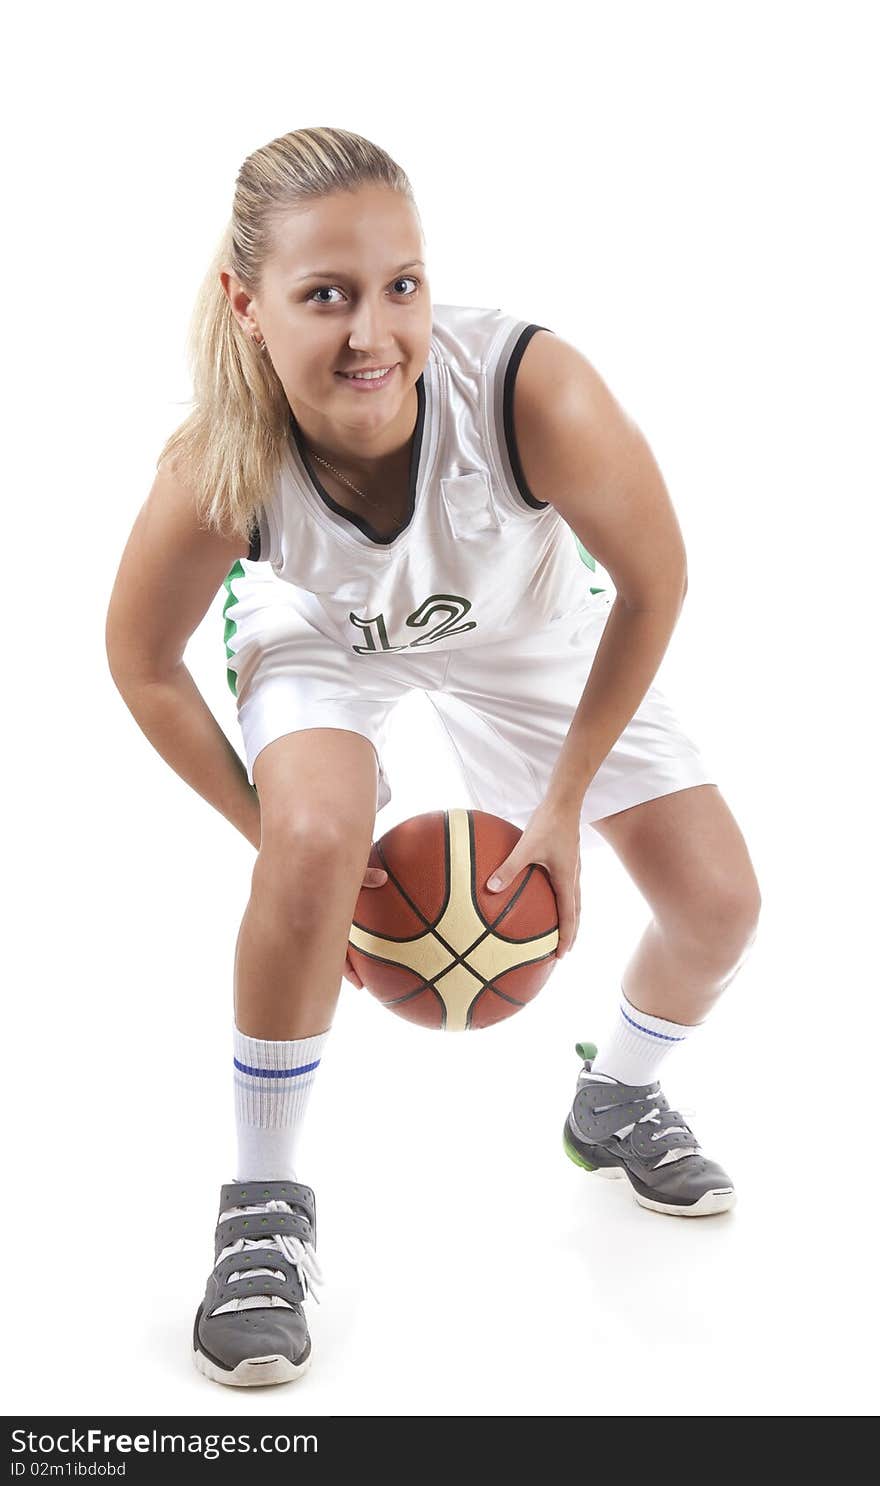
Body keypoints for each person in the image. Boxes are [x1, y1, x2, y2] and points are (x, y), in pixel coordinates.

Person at [105, 126, 762, 1388]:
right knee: (308, 840)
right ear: (247, 304)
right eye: (326, 295)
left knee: (719, 902)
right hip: (322, 634)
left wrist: (562, 803)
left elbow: (654, 579)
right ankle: (261, 1205)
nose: (373, 333)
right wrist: (282, 846)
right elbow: (140, 662)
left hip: (522, 625)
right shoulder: (220, 462)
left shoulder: (525, 389)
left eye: (400, 285)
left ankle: (615, 1100)